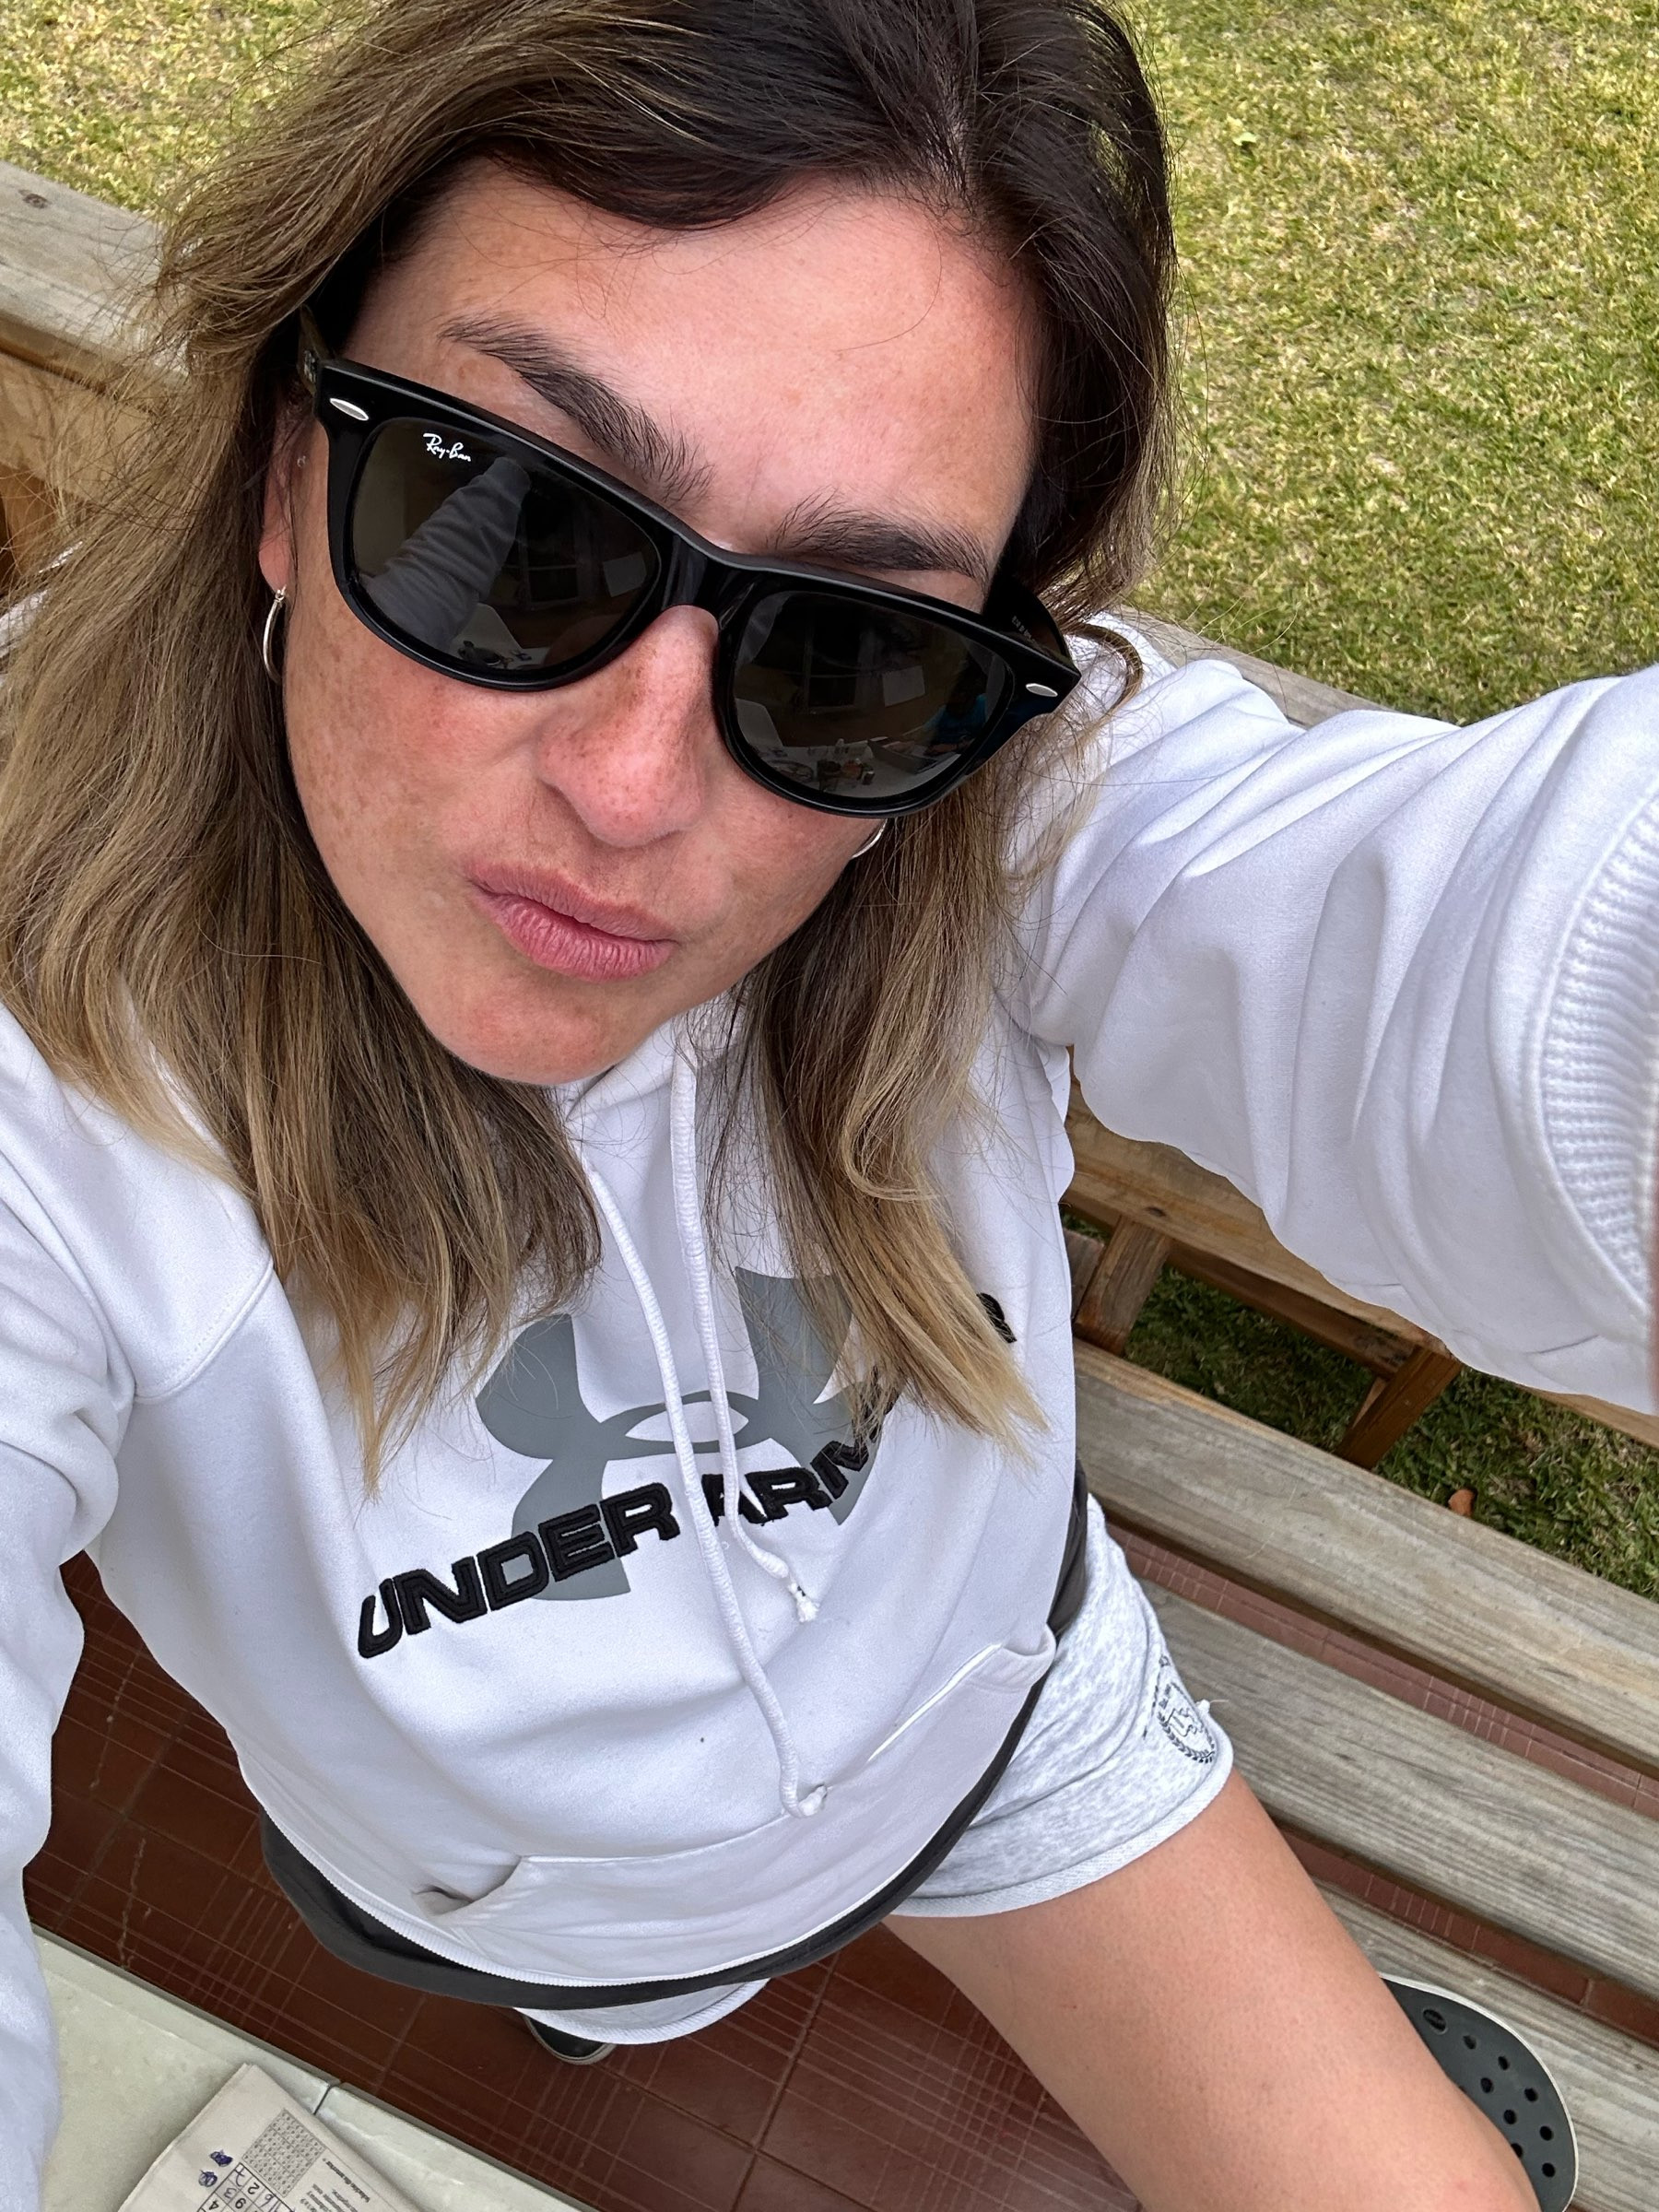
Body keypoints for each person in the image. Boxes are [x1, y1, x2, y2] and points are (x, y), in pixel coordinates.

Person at [0, 2, 1646, 2206]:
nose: (629, 786)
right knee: (635, 2006)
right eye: (510, 525)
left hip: (1006, 1702)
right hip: (543, 1897)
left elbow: (1497, 970)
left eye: (849, 651)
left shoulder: (1002, 798)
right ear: (294, 473)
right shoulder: (45, 1054)